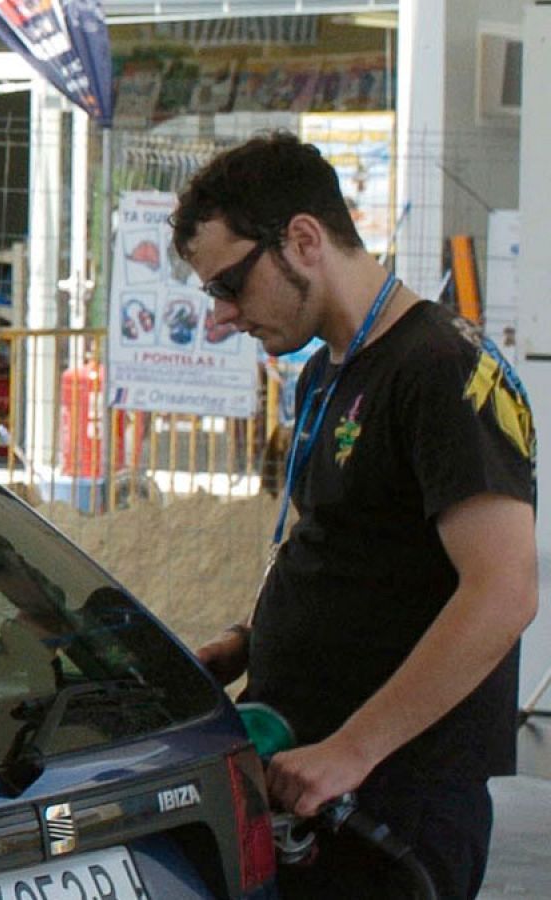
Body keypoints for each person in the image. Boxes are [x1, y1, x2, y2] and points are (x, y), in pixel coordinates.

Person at [170, 132, 537, 899]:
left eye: (231, 284)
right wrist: (246, 644)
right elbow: (358, 555)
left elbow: (504, 591)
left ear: (304, 240)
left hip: (391, 801)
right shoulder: (325, 374)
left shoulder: (442, 369)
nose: (224, 316)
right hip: (312, 785)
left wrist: (352, 750)